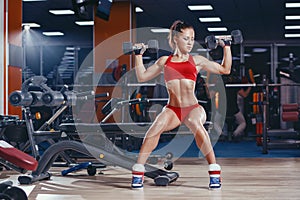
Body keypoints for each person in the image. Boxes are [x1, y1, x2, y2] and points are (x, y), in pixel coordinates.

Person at [131, 20, 232, 190]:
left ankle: (214, 171)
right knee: (154, 129)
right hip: (173, 109)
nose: (191, 42)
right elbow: (142, 76)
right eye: (186, 38)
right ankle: (138, 172)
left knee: (195, 124)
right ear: (175, 39)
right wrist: (138, 55)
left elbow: (225, 69)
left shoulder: (197, 60)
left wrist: (226, 47)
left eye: (192, 38)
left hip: (193, 108)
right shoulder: (165, 61)